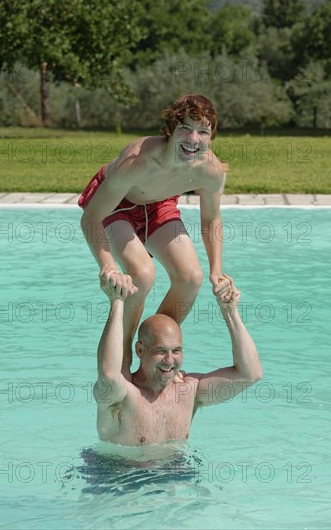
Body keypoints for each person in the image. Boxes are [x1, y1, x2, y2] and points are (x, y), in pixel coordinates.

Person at [80, 94, 230, 379]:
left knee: (190, 278)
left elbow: (211, 218)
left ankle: (154, 353)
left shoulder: (210, 170)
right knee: (142, 274)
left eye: (203, 131)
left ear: (212, 136)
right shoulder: (137, 162)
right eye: (185, 128)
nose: (193, 139)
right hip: (117, 203)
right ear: (170, 130)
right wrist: (107, 265)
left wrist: (217, 270)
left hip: (159, 205)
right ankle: (121, 360)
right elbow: (91, 218)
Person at [94, 265, 263, 447]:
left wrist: (230, 311)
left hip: (177, 472)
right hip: (117, 473)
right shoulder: (122, 396)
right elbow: (109, 375)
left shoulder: (188, 392)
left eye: (176, 351)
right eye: (160, 351)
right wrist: (117, 302)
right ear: (140, 351)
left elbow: (250, 374)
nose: (169, 361)